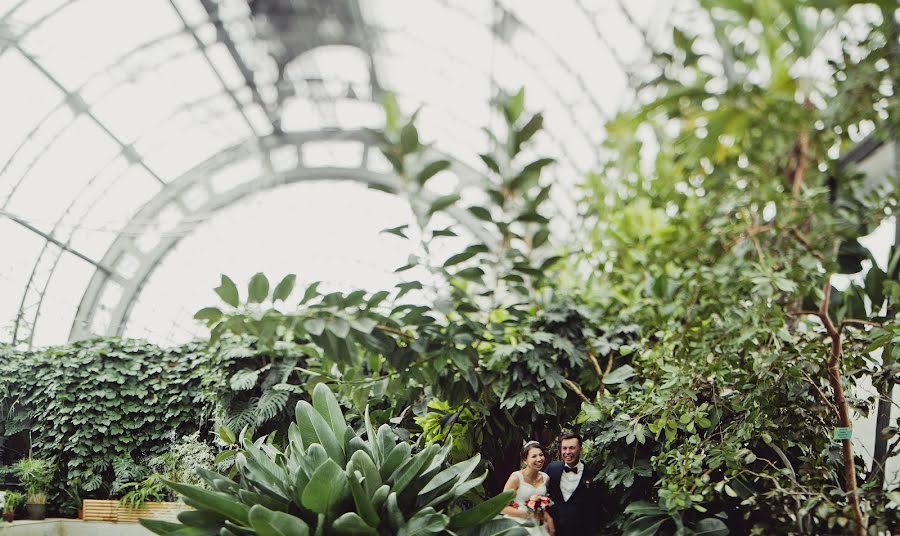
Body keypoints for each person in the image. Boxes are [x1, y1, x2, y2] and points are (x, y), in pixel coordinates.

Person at [545, 433, 598, 535]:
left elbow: (595, 507)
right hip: (553, 530)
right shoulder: (552, 469)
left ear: (580, 450)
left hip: (581, 531)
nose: (567, 452)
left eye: (572, 448)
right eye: (564, 448)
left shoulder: (591, 473)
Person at [500, 440, 556, 535]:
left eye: (541, 455)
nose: (539, 459)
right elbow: (502, 508)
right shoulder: (516, 478)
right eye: (534, 456)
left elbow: (542, 505)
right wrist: (529, 515)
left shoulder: (545, 478)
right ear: (525, 460)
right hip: (517, 523)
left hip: (538, 525)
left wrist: (548, 518)